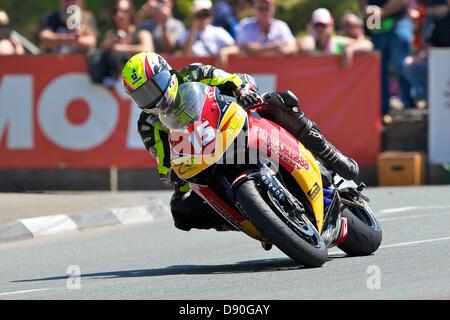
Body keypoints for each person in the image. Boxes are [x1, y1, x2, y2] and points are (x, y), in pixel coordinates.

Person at [120, 51, 359, 232]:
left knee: (277, 101)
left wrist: (243, 90)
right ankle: (254, 221)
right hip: (204, 158)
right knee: (181, 211)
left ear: (166, 73)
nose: (152, 98)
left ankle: (329, 154)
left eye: (153, 87)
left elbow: (229, 79)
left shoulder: (191, 74)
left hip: (233, 125)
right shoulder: (148, 125)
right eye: (142, 95)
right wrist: (170, 173)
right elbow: (164, 159)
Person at [359, 0, 414, 115]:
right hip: (376, 23)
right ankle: (383, 109)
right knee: (378, 69)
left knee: (402, 65)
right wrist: (368, 11)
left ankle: (409, 104)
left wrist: (382, 13)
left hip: (398, 21)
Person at [98, 0, 154, 83]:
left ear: (131, 13)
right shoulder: (111, 34)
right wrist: (109, 44)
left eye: (124, 11)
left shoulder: (141, 33)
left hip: (141, 82)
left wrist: (121, 48)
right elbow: (102, 51)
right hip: (116, 85)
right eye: (116, 11)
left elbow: (149, 50)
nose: (119, 15)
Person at [299, 9, 374, 67]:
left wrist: (350, 50)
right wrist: (312, 35)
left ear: (331, 27)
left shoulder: (337, 42)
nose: (320, 29)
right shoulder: (309, 41)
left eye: (324, 25)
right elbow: (306, 48)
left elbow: (368, 45)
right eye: (317, 25)